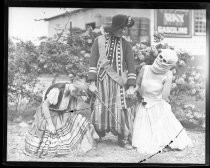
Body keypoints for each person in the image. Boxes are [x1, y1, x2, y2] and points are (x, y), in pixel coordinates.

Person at [88, 14, 136, 149]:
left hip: (118, 83)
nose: (123, 31)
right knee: (99, 107)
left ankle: (123, 138)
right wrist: (91, 83)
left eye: (125, 28)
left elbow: (131, 65)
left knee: (119, 109)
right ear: (114, 27)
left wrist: (131, 86)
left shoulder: (126, 44)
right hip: (101, 81)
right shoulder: (99, 40)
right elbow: (92, 62)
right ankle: (97, 134)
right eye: (121, 28)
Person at [132, 49, 193, 154]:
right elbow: (137, 85)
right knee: (143, 137)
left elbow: (164, 96)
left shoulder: (168, 74)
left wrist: (168, 78)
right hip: (143, 104)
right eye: (160, 57)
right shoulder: (145, 69)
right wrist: (131, 91)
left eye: (165, 60)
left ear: (169, 64)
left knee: (162, 135)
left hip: (157, 106)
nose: (161, 61)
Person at [25, 80, 99, 158]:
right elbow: (44, 106)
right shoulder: (57, 91)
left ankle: (90, 146)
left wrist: (72, 112)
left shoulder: (71, 92)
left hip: (60, 115)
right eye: (78, 94)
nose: (78, 96)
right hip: (47, 116)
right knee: (50, 141)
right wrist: (50, 124)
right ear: (74, 90)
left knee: (81, 120)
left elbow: (68, 109)